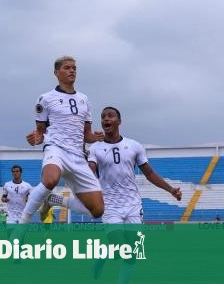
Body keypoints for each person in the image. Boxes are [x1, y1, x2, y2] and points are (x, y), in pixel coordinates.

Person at [46, 107, 182, 283]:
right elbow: (90, 170)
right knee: (119, 249)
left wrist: (171, 190)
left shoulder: (134, 146)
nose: (106, 119)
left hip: (133, 205)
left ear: (119, 121)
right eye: (103, 117)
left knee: (132, 254)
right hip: (110, 206)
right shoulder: (95, 148)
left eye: (110, 116)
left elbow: (150, 174)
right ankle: (101, 257)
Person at [22, 55, 105, 224]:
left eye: (74, 68)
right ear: (56, 73)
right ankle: (22, 224)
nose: (72, 71)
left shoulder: (84, 99)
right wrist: (35, 139)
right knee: (50, 180)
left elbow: (86, 135)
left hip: (78, 156)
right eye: (67, 68)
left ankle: (54, 200)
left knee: (97, 211)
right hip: (56, 149)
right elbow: (40, 133)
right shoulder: (45, 98)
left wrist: (96, 137)